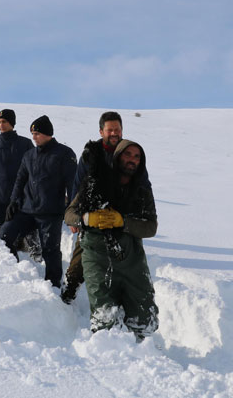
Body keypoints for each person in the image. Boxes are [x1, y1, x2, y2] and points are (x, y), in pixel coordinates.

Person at [65, 139, 158, 339]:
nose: (132, 160)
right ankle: (109, 362)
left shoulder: (142, 190)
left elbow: (151, 227)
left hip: (131, 258)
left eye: (137, 156)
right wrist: (87, 218)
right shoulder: (95, 183)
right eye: (128, 154)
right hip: (97, 257)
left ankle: (146, 357)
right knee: (104, 319)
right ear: (117, 156)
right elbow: (69, 214)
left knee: (144, 317)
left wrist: (123, 222)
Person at [62, 111, 149, 303]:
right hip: (94, 214)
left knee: (126, 261)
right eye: (110, 130)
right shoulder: (90, 155)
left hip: (122, 215)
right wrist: (75, 215)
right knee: (81, 255)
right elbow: (78, 185)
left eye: (117, 129)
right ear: (101, 131)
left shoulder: (129, 152)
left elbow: (143, 183)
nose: (114, 133)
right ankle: (70, 289)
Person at [0, 115, 76, 288]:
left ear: (48, 133)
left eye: (37, 133)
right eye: (32, 133)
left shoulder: (64, 154)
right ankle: (18, 276)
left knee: (50, 251)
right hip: (26, 210)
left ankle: (54, 287)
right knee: (5, 235)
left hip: (50, 212)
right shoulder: (29, 155)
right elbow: (20, 180)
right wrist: (13, 202)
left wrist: (72, 210)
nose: (33, 137)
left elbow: (72, 185)